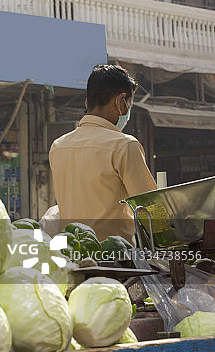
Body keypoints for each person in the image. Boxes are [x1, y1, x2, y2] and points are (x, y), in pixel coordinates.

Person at [49, 64, 157, 241]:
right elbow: (150, 210)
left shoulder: (58, 146)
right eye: (129, 104)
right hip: (115, 259)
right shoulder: (124, 145)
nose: (128, 111)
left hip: (73, 254)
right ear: (121, 101)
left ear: (87, 103)